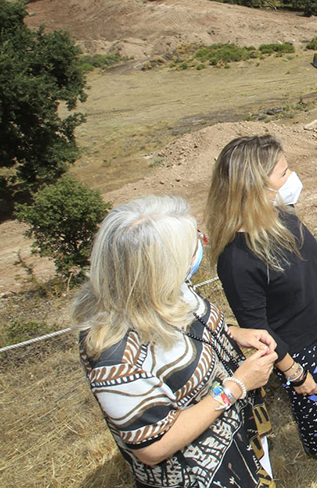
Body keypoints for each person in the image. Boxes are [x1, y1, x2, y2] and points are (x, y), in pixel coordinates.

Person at [73, 195, 278, 488]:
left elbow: (191, 327)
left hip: (236, 439)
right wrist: (237, 386)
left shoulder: (168, 286)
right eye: (191, 245)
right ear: (156, 267)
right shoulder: (113, 351)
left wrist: (231, 332)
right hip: (202, 473)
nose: (201, 245)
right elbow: (153, 447)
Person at [207, 135, 317, 485]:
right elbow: (257, 328)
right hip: (296, 350)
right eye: (283, 173)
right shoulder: (236, 258)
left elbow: (312, 264)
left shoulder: (284, 216)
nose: (293, 177)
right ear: (254, 186)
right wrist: (293, 373)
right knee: (316, 407)